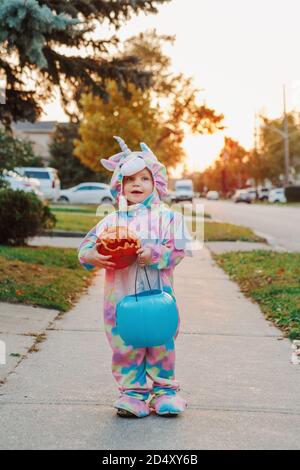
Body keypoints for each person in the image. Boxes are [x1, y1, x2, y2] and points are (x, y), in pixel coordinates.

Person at [78, 136, 192, 418]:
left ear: (156, 183)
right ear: (120, 186)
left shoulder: (169, 218)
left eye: (143, 178)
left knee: (160, 342)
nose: (136, 184)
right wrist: (91, 256)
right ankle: (133, 394)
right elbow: (86, 247)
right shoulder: (111, 220)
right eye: (129, 180)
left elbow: (177, 251)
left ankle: (165, 391)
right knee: (125, 344)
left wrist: (153, 253)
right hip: (120, 297)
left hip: (159, 296)